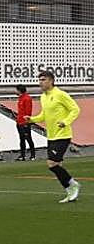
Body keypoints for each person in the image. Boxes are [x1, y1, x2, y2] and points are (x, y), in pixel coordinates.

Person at [26, 70, 81, 203]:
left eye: (43, 80)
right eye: (39, 80)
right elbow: (44, 115)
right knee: (58, 165)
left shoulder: (60, 94)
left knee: (52, 164)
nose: (40, 83)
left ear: (51, 81)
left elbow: (75, 109)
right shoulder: (43, 97)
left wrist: (65, 122)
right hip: (51, 136)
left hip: (62, 135)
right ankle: (70, 191)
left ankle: (72, 184)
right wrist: (32, 119)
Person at [14, 84, 37, 161]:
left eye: (16, 90)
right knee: (22, 139)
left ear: (19, 90)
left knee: (28, 138)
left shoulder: (27, 98)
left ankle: (33, 155)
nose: (15, 91)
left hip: (24, 122)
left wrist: (27, 121)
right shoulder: (20, 98)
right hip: (19, 122)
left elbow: (28, 111)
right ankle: (22, 155)